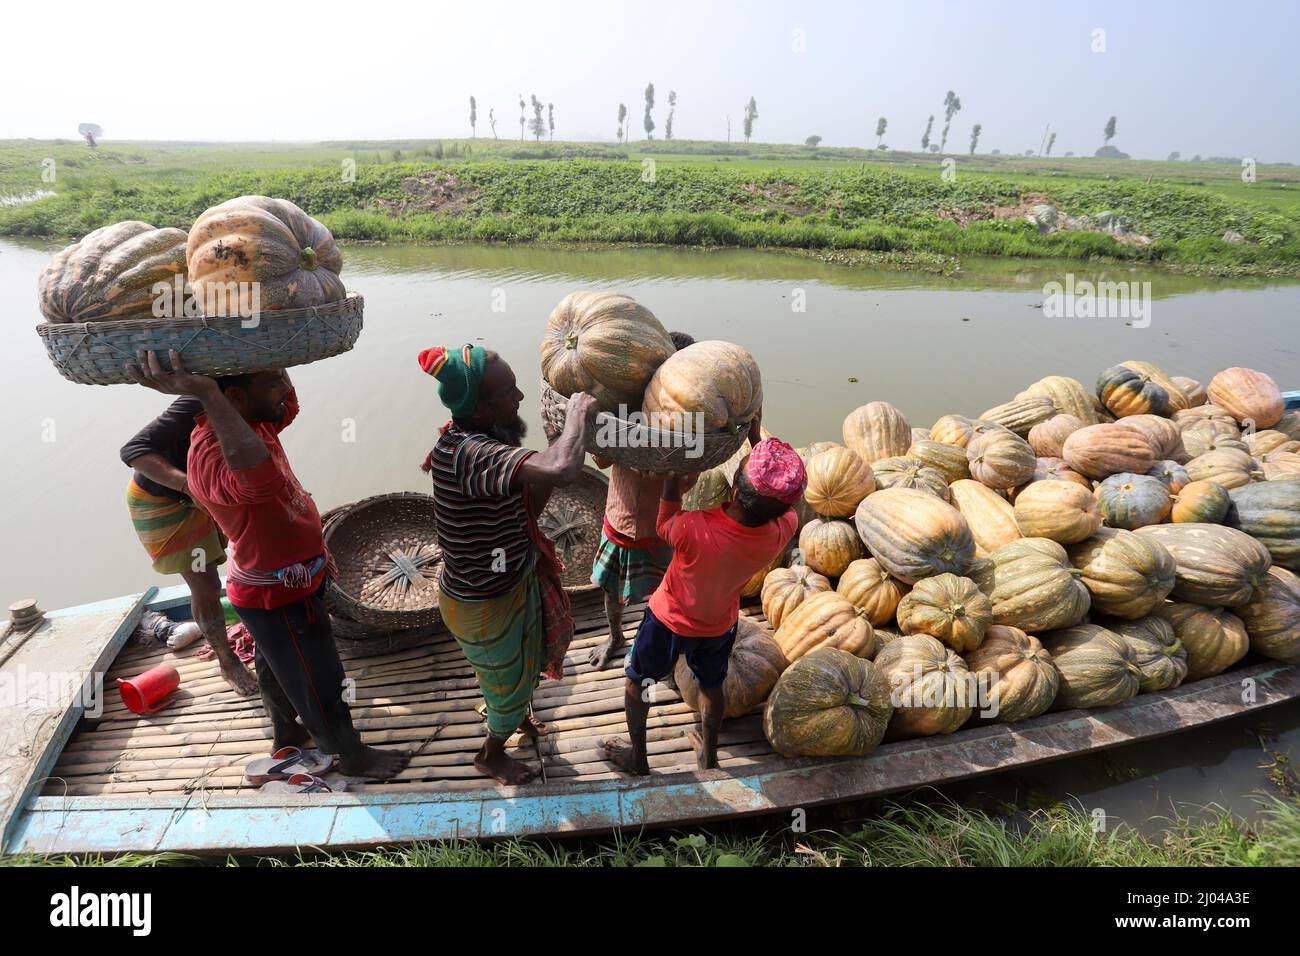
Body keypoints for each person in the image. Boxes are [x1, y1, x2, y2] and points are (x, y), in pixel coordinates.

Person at [126, 350, 409, 780]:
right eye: (272, 382)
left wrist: (270, 347)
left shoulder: (254, 420)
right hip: (276, 594)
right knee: (319, 678)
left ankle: (286, 735)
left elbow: (288, 404)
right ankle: (349, 755)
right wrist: (204, 390)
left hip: (289, 579)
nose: (283, 391)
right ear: (235, 398)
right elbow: (258, 481)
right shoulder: (212, 454)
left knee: (279, 668)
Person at [418, 343, 595, 785]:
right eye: (508, 392)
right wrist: (577, 418)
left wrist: (558, 441)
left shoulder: (486, 439)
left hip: (509, 581)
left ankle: (516, 715)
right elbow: (561, 471)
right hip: (484, 602)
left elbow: (526, 507)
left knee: (525, 662)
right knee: (505, 690)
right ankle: (491, 754)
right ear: (479, 406)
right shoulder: (470, 453)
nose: (518, 399)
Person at [601, 438, 806, 776]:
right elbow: (781, 505)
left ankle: (638, 759)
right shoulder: (783, 528)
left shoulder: (695, 528)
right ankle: (709, 758)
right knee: (712, 685)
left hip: (667, 623)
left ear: (737, 493)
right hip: (719, 626)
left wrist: (671, 476)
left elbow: (663, 523)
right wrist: (760, 443)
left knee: (637, 682)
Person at [121, 398, 258, 696]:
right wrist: (188, 487)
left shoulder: (260, 394)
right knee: (206, 584)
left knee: (251, 551)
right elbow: (132, 452)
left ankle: (261, 626)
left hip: (209, 487)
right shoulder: (195, 399)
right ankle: (227, 660)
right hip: (164, 500)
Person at [587, 331, 703, 671]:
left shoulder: (691, 426)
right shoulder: (627, 412)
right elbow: (602, 461)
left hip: (662, 528)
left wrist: (660, 468)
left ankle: (657, 642)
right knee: (611, 592)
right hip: (619, 521)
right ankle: (615, 636)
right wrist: (607, 438)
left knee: (666, 593)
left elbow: (688, 479)